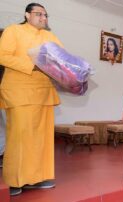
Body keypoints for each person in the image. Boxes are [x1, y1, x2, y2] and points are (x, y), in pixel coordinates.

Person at [0, 3, 62, 196]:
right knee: (20, 137)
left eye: (45, 14)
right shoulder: (13, 31)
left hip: (43, 93)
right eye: (39, 14)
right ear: (27, 15)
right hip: (19, 91)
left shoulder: (49, 36)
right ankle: (15, 181)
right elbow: (3, 56)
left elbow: (61, 58)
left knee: (41, 139)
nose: (43, 17)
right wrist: (32, 65)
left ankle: (37, 178)